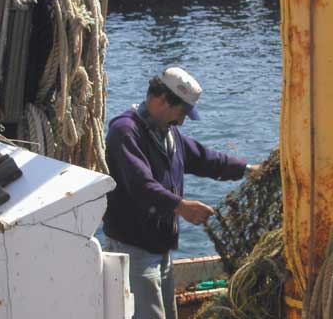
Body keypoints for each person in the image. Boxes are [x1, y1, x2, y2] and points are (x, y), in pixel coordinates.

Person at [103, 67, 259, 319]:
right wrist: (180, 206)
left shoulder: (168, 132)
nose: (183, 120)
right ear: (163, 100)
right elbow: (140, 184)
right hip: (134, 248)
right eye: (182, 112)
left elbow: (205, 159)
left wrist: (248, 169)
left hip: (161, 247)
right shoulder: (125, 131)